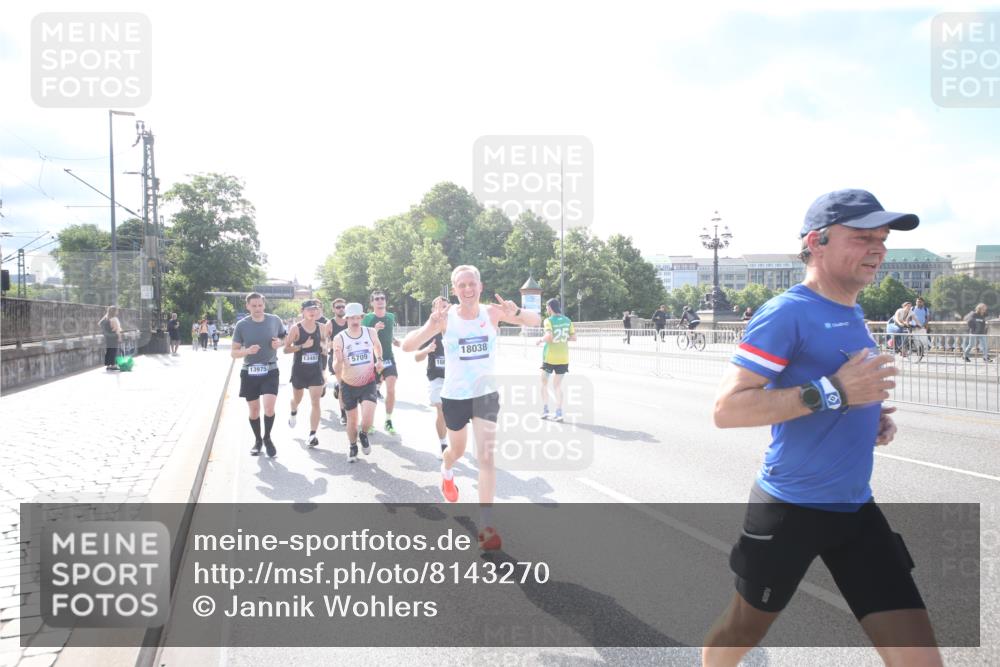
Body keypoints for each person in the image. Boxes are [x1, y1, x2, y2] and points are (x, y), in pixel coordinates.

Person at [702, 189, 940, 667]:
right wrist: (836, 392)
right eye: (862, 237)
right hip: (790, 510)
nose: (878, 248)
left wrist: (866, 418)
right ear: (818, 242)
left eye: (882, 238)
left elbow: (835, 394)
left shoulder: (851, 310)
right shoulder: (788, 312)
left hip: (856, 510)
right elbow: (727, 409)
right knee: (741, 630)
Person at [402, 265, 542, 551]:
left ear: (480, 286)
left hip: (485, 395)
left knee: (487, 458)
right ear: (454, 290)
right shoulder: (445, 318)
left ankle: (486, 526)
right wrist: (430, 325)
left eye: (472, 284)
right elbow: (406, 346)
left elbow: (535, 320)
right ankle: (447, 469)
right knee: (457, 451)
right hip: (454, 397)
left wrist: (515, 312)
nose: (467, 289)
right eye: (461, 285)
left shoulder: (493, 312)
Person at [231, 293, 286, 458]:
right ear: (247, 306)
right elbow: (234, 353)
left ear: (264, 305)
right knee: (254, 410)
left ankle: (267, 438)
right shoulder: (242, 325)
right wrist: (247, 351)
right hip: (249, 371)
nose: (257, 309)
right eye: (253, 306)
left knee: (269, 407)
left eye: (260, 305)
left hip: (270, 370)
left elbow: (284, 337)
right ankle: (257, 440)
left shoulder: (274, 320)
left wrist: (280, 343)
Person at [332, 302, 384, 462]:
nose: (355, 321)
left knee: (368, 418)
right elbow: (335, 365)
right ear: (347, 319)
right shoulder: (339, 338)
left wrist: (379, 359)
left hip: (368, 382)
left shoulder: (370, 332)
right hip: (348, 384)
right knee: (352, 421)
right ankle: (353, 446)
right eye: (352, 318)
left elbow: (377, 346)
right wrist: (339, 361)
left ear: (361, 318)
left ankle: (364, 434)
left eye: (358, 317)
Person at [285, 299, 326, 448]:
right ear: (303, 311)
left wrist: (324, 347)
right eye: (309, 309)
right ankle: (293, 410)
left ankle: (312, 435)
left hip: (315, 370)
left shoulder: (321, 327)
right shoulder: (296, 328)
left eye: (315, 309)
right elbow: (286, 349)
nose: (312, 311)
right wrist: (302, 346)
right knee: (298, 399)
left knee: (315, 401)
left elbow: (324, 344)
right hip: (299, 371)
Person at [414, 296, 450, 458]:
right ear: (433, 311)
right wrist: (427, 350)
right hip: (437, 377)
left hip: (457, 378)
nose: (443, 310)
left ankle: (455, 439)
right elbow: (417, 357)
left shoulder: (458, 328)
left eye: (445, 306)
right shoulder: (430, 332)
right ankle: (443, 444)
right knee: (441, 409)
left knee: (455, 413)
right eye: (439, 307)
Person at [362, 290, 402, 435]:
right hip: (371, 361)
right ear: (372, 302)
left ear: (386, 301)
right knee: (370, 393)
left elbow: (389, 335)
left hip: (388, 359)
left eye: (382, 298)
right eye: (376, 299)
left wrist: (394, 341)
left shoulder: (391, 317)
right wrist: (375, 331)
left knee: (391, 388)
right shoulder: (367, 318)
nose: (380, 301)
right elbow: (364, 340)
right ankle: (368, 422)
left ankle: (388, 420)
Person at [535, 297, 576, 421]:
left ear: (550, 308)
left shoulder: (548, 320)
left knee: (543, 383)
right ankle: (559, 412)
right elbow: (574, 338)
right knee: (557, 386)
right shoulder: (568, 320)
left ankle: (546, 410)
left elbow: (549, 337)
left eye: (547, 307)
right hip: (563, 358)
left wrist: (540, 340)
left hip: (550, 357)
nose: (546, 309)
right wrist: (562, 338)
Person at [326, 298, 349, 425]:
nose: (341, 309)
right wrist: (335, 345)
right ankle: (343, 414)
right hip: (336, 359)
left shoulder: (350, 320)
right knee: (342, 386)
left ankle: (336, 386)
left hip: (350, 358)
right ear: (333, 309)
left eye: (342, 306)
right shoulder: (330, 324)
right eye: (338, 307)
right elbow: (324, 343)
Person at [99, 306, 123, 371]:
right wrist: (119, 337)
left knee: (109, 350)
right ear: (114, 312)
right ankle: (113, 365)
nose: (118, 312)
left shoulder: (106, 318)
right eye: (117, 311)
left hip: (108, 337)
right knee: (114, 351)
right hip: (114, 336)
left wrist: (107, 331)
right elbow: (117, 329)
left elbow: (100, 324)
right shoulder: (114, 319)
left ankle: (108, 365)